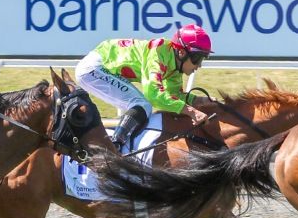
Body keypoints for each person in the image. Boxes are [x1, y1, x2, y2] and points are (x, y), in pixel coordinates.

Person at [75, 24, 213, 146]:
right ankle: (115, 148)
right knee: (142, 104)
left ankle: (119, 144)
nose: (199, 65)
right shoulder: (158, 53)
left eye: (203, 58)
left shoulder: (174, 65)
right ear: (181, 52)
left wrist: (202, 101)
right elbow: (154, 95)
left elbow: (174, 96)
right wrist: (192, 112)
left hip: (102, 68)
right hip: (94, 68)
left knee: (141, 105)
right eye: (197, 58)